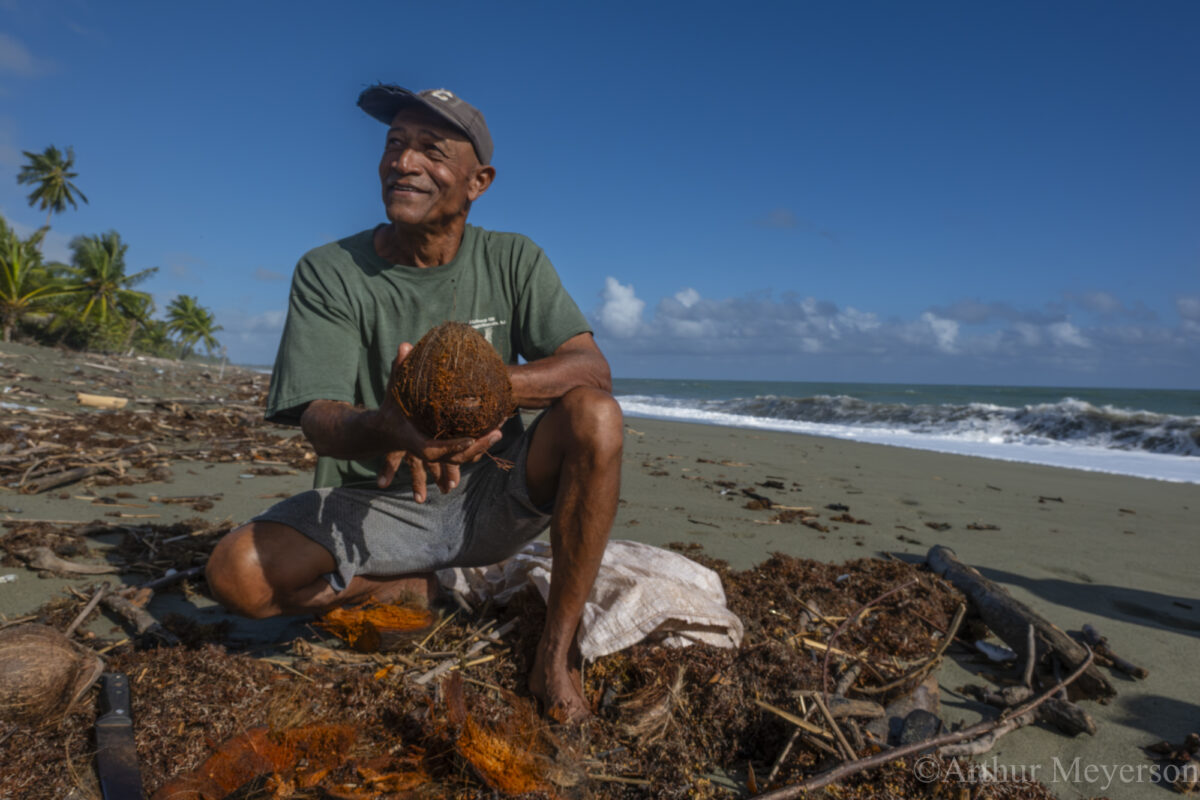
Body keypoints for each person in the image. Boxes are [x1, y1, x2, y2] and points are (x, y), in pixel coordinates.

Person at [205, 85, 621, 723]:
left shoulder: (513, 258)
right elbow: (319, 419)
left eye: (431, 149)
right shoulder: (330, 271)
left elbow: (592, 370)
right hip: (376, 505)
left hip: (493, 492)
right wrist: (390, 425)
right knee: (237, 575)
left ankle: (555, 656)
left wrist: (479, 387)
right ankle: (398, 584)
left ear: (478, 181)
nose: (404, 162)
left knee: (596, 415)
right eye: (395, 144)